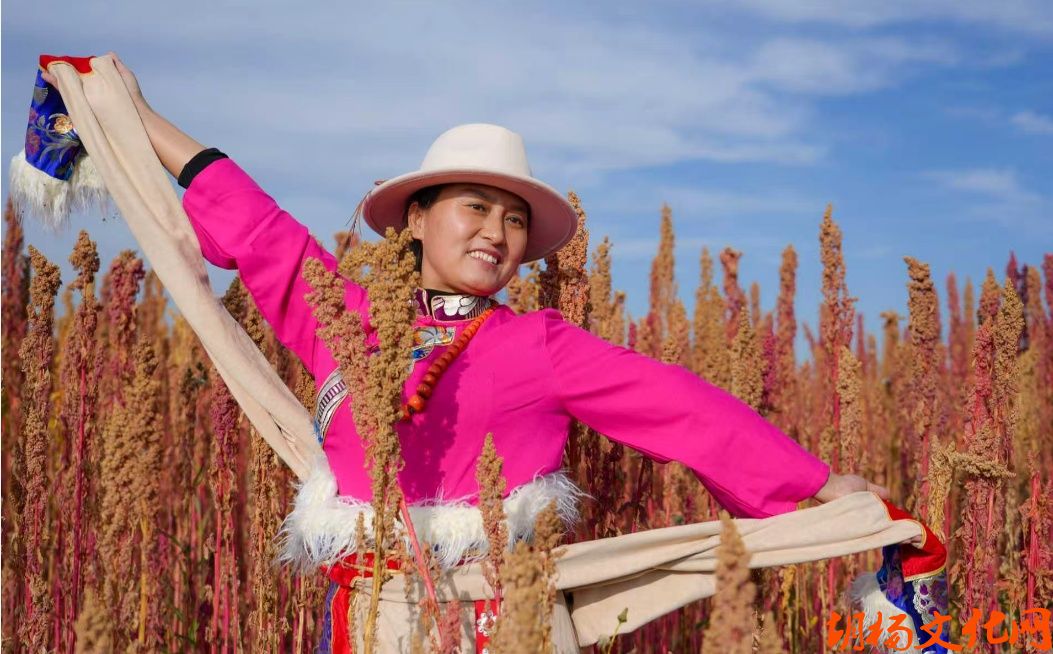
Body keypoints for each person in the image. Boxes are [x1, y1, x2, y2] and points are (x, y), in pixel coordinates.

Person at [44, 53, 891, 651]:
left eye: (513, 219)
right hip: (367, 622)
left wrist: (814, 485)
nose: (496, 232)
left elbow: (679, 407)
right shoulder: (344, 315)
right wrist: (130, 112)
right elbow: (258, 225)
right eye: (474, 208)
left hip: (499, 625)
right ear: (415, 218)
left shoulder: (539, 343)